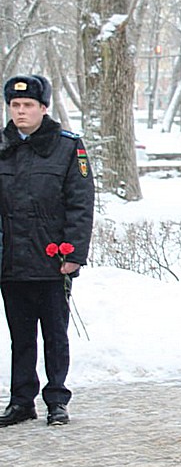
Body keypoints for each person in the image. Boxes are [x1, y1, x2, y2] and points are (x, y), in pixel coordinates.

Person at [0, 75, 94, 428]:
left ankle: (57, 398)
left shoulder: (67, 147)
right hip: (11, 261)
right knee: (19, 336)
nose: (20, 112)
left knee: (55, 335)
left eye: (28, 106)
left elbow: (80, 204)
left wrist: (74, 254)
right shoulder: (3, 145)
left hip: (52, 261)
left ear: (43, 108)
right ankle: (21, 400)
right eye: (15, 105)